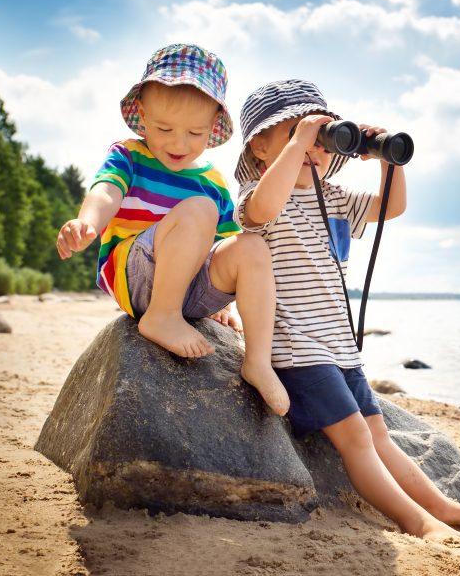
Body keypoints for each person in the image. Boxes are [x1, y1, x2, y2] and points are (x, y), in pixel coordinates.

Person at [234, 79, 460, 540]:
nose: (312, 147)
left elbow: (392, 207)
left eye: (321, 140)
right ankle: (417, 522)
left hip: (340, 348)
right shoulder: (256, 196)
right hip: (297, 350)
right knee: (354, 438)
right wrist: (300, 142)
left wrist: (387, 159)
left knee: (379, 435)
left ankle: (438, 504)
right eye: (292, 133)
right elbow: (263, 208)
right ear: (259, 148)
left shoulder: (335, 199)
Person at [54, 43, 289, 416]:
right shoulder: (130, 154)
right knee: (199, 210)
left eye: (195, 133)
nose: (179, 143)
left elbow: (223, 247)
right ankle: (162, 316)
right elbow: (107, 190)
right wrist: (88, 223)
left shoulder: (212, 179)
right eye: (164, 128)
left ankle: (258, 359)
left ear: (213, 128)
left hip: (188, 289)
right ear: (142, 117)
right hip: (138, 274)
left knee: (251, 246)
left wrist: (220, 303)